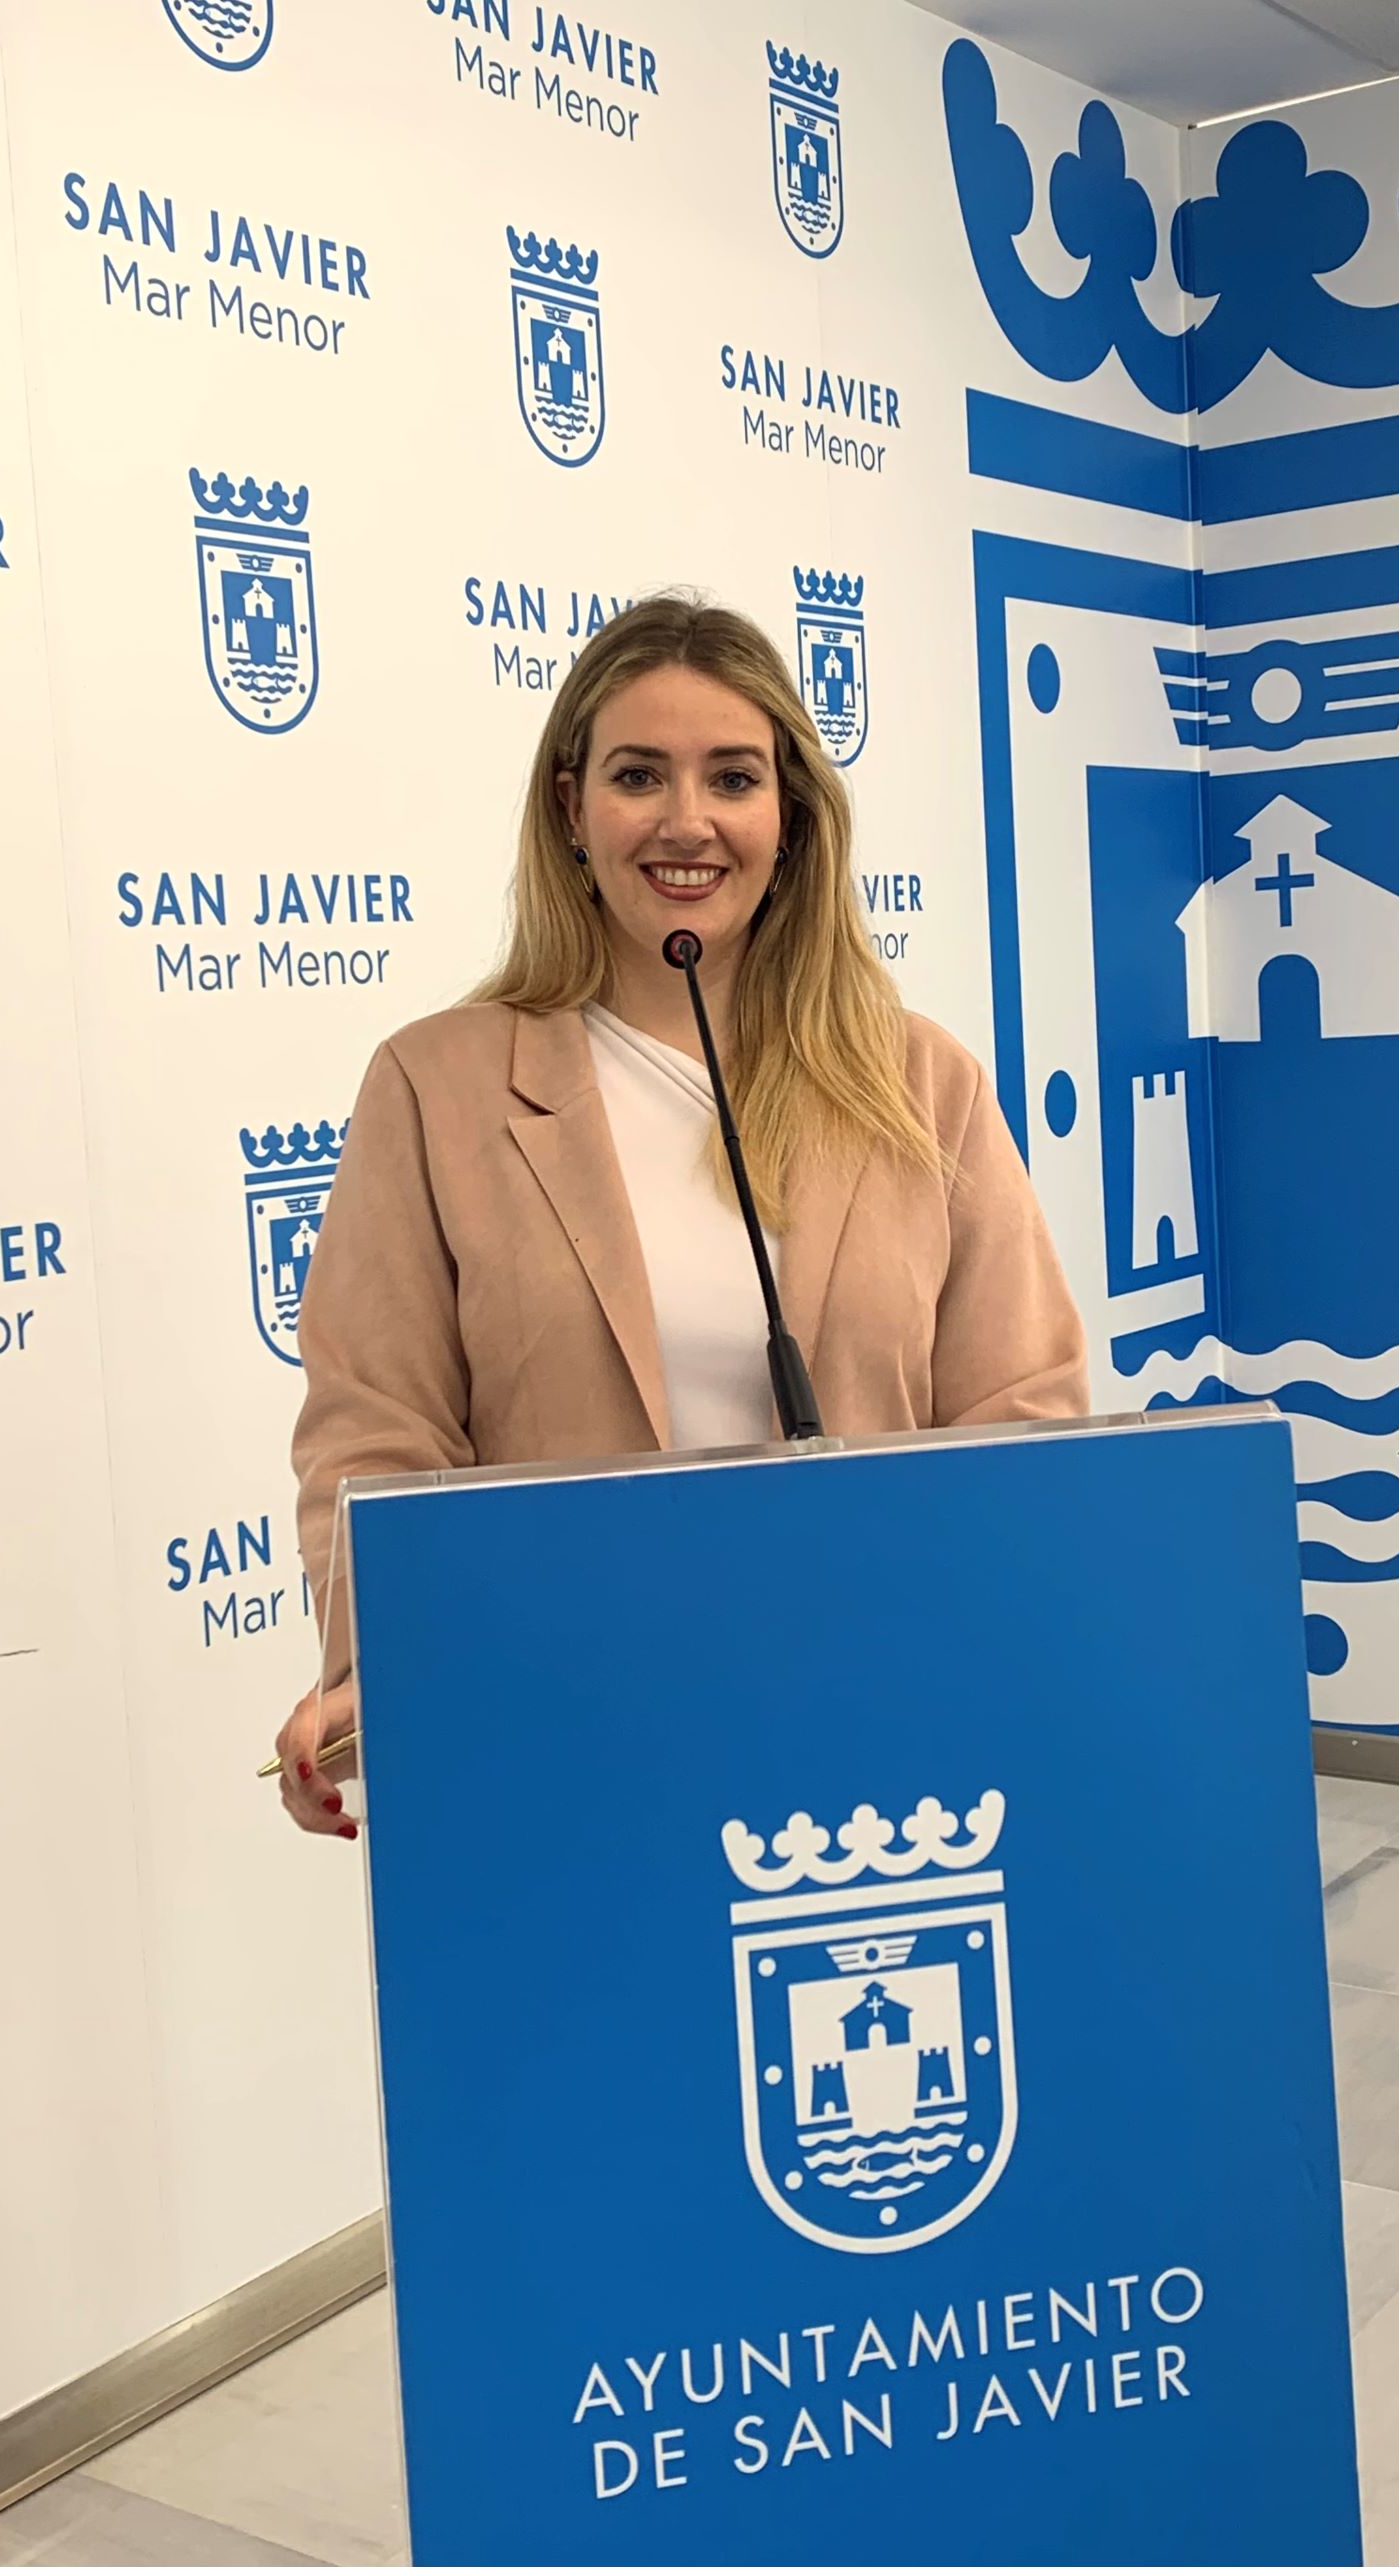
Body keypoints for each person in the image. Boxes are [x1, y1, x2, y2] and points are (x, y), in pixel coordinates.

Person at [273, 594, 1088, 1836]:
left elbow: (1022, 1412)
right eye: (639, 774)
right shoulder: (433, 1085)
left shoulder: (923, 1082)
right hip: (568, 1735)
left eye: (734, 777)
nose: (687, 820)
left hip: (877, 1730)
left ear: (790, 813)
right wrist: (370, 1665)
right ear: (571, 807)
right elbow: (375, 1433)